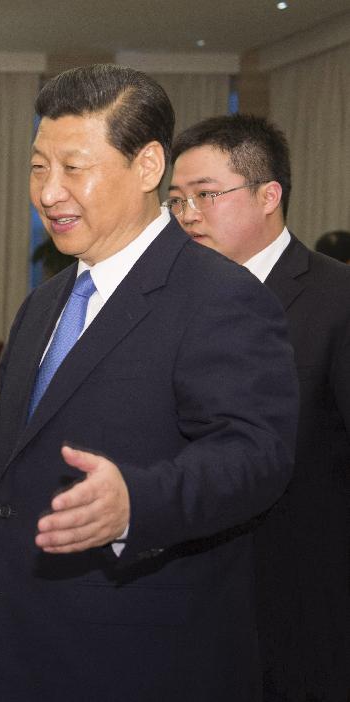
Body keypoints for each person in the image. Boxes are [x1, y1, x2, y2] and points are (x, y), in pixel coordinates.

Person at [0, 65, 299, 701]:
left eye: (74, 168)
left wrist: (138, 501)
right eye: (37, 168)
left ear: (146, 167)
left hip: (141, 664)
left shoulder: (219, 297)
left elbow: (255, 457)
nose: (48, 193)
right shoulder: (48, 303)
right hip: (19, 653)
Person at [169, 114, 350, 702]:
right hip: (185, 598)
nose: (188, 214)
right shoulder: (168, 302)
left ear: (269, 195)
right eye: (176, 200)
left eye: (205, 195)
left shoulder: (337, 300)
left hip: (303, 602)